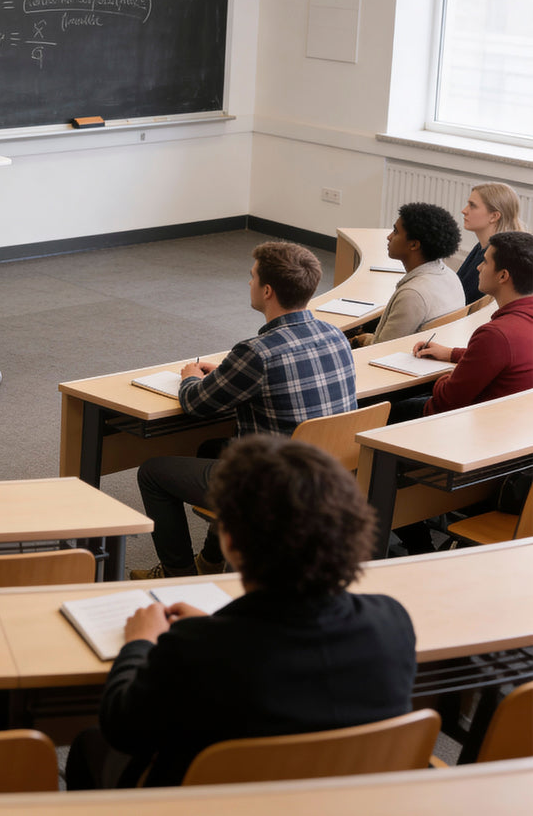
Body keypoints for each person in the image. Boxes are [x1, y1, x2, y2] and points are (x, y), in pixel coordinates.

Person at [67, 435, 416, 789]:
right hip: (346, 803)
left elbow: (122, 728)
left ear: (229, 540)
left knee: (87, 744)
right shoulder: (392, 621)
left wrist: (139, 644)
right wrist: (215, 626)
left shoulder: (194, 648)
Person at [132, 242, 357, 579]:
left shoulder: (256, 352)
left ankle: (177, 576)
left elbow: (196, 404)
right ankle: (210, 560)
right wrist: (227, 372)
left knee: (152, 472)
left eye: (251, 277)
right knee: (212, 450)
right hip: (330, 473)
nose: (248, 283)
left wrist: (191, 377)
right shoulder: (334, 334)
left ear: (267, 291)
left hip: (274, 485)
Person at [394, 230, 533, 420]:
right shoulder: (519, 323)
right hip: (513, 425)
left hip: (469, 426)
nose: (478, 268)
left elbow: (446, 402)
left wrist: (444, 378)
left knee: (386, 406)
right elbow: (496, 357)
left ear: (502, 276)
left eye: (485, 262)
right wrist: (452, 354)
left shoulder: (496, 334)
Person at [351, 202, 463, 347]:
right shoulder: (450, 275)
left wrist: (360, 339)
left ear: (414, 245)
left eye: (396, 232)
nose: (389, 237)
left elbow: (382, 347)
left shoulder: (412, 294)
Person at [458, 183, 525, 304]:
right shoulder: (481, 247)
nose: (464, 211)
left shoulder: (496, 257)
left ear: (494, 216)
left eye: (472, 206)